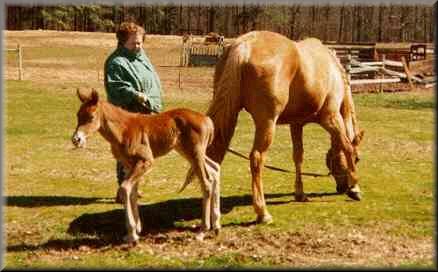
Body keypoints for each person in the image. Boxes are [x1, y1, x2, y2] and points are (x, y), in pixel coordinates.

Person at [104, 22, 163, 203]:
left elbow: (151, 78)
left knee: (142, 153)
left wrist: (153, 100)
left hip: (147, 112)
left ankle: (133, 186)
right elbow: (116, 87)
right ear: (122, 43)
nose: (138, 46)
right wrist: (135, 95)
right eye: (134, 44)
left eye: (140, 43)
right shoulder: (115, 62)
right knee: (127, 153)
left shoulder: (141, 56)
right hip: (128, 115)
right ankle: (124, 190)